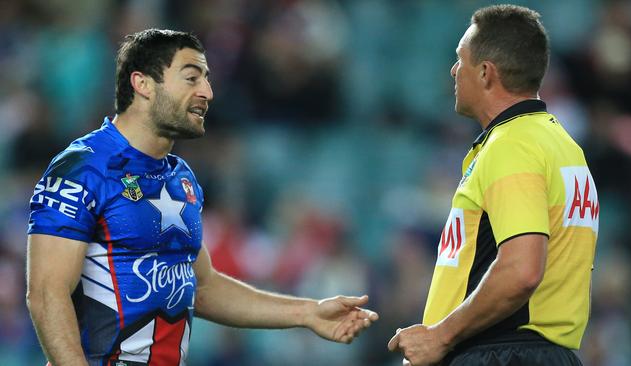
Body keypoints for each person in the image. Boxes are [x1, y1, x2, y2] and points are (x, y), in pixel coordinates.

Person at [25, 29, 378, 366]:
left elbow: (203, 286)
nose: (207, 92)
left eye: (206, 79)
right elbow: (45, 294)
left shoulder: (179, 177)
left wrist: (308, 312)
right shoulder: (82, 168)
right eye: (192, 78)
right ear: (142, 83)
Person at [388, 5, 598, 366]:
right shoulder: (563, 146)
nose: (454, 71)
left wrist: (440, 336)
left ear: (486, 73)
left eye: (460, 60)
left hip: (502, 354)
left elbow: (522, 270)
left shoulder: (512, 146)